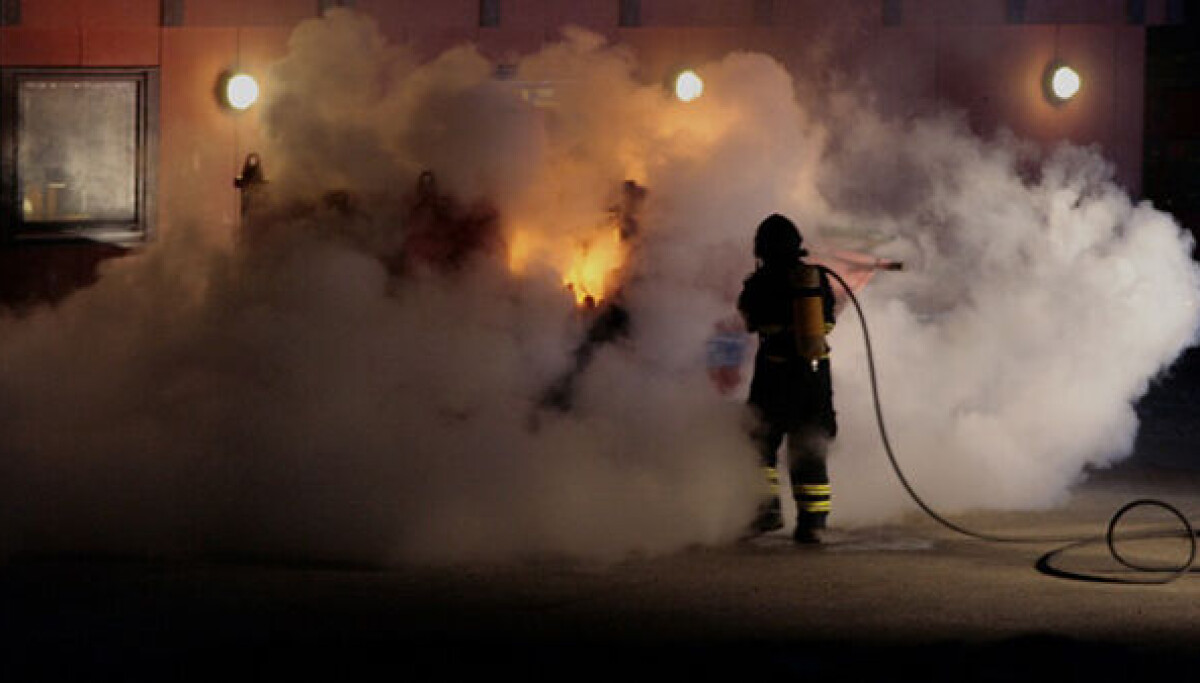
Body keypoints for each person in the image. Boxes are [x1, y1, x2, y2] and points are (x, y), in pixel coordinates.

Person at [738, 214, 837, 544]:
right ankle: (813, 524)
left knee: (759, 440)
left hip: (775, 374)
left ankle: (767, 512)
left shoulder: (761, 281)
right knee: (810, 445)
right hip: (814, 375)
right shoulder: (816, 277)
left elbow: (750, 320)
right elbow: (828, 321)